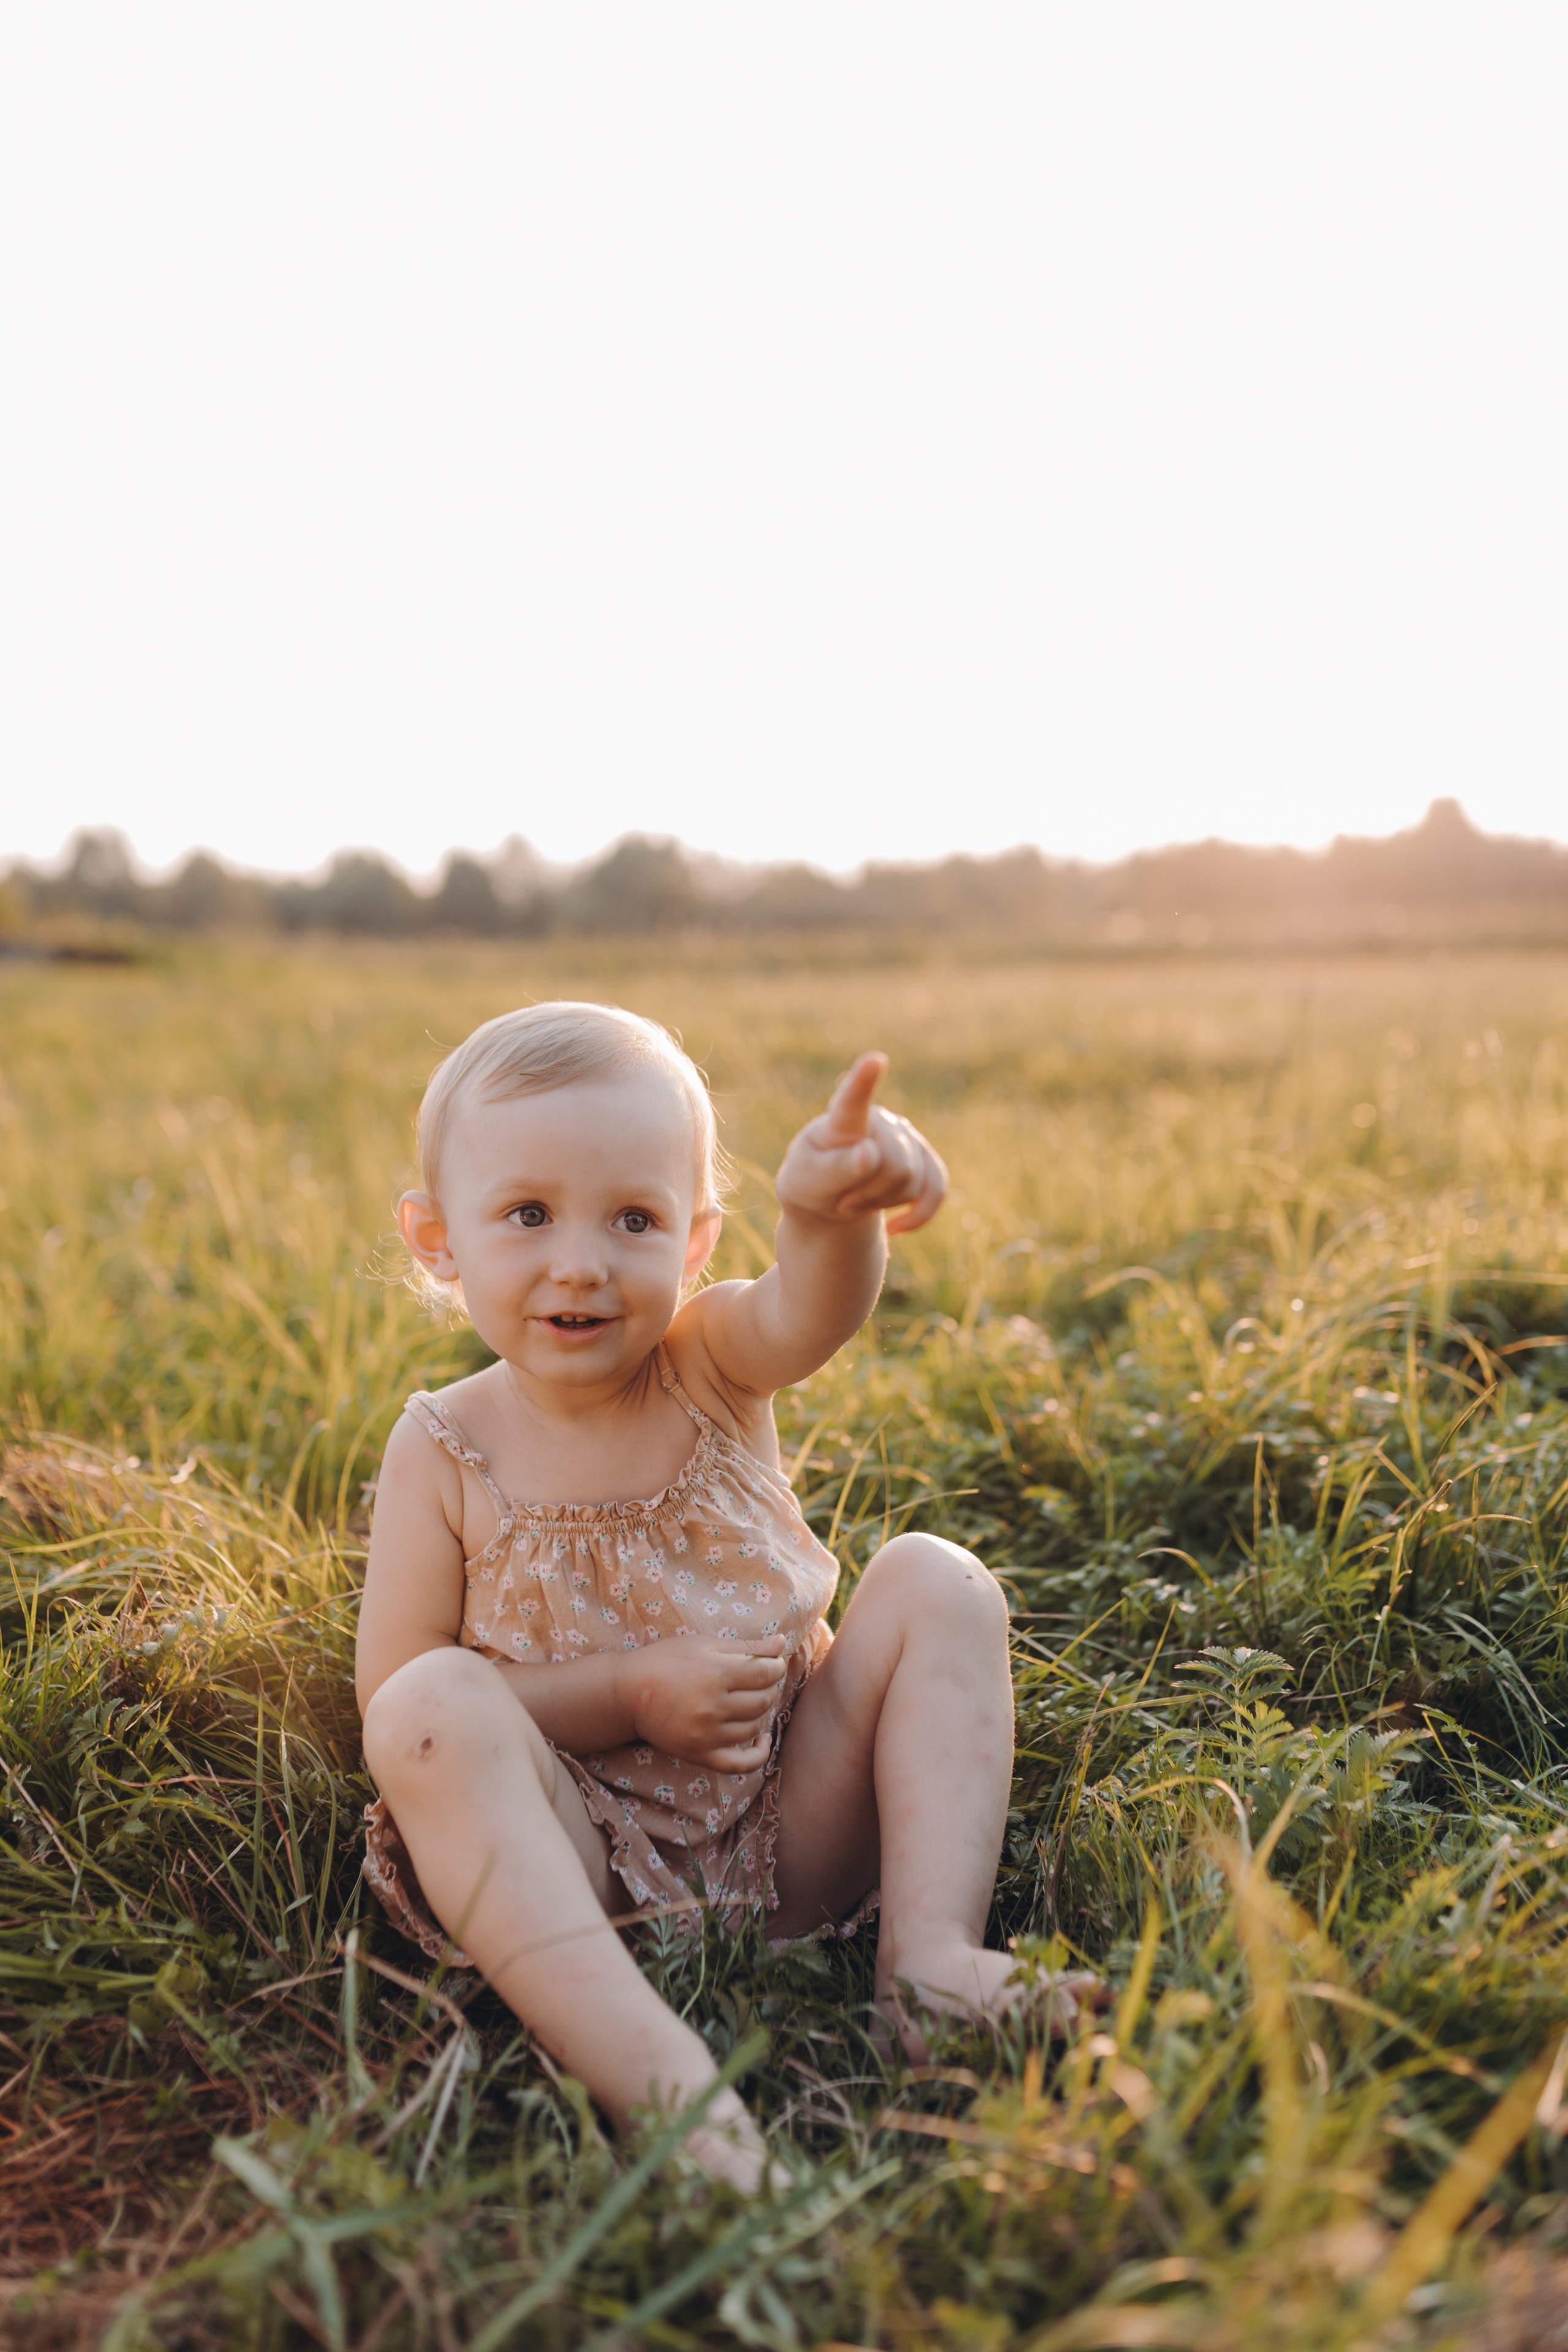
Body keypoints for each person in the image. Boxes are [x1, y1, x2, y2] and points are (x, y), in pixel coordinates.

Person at [356, 1001, 1092, 2190]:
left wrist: (824, 1217)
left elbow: (811, 1310)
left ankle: (929, 1962)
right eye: (528, 1214)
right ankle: (666, 2089)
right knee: (428, 1711)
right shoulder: (442, 1449)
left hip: (792, 1818)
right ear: (437, 1237)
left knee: (933, 1579)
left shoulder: (704, 1362)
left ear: (695, 1244)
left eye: (633, 1218)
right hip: (577, 1872)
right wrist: (629, 1693)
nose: (582, 1260)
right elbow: (395, 1697)